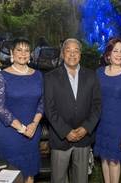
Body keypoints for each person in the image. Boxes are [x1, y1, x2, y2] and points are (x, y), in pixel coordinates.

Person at [44, 38, 101, 183]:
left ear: (80, 54)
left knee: (81, 179)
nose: (72, 54)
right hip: (60, 138)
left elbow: (97, 106)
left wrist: (85, 128)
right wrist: (66, 131)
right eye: (68, 50)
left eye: (76, 51)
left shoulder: (92, 76)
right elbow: (49, 109)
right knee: (58, 179)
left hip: (84, 138)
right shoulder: (50, 77)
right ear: (63, 54)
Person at [0, 37, 43, 183]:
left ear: (30, 54)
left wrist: (33, 125)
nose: (23, 53)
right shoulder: (2, 76)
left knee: (29, 173)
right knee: (10, 176)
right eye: (19, 50)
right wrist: (21, 128)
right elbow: (0, 108)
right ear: (11, 53)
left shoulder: (38, 75)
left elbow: (42, 102)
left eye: (27, 50)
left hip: (33, 133)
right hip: (10, 134)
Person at [93, 38, 121, 183]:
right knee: (104, 160)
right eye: (115, 51)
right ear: (108, 54)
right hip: (102, 124)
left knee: (114, 161)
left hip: (119, 126)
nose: (119, 54)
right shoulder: (99, 72)